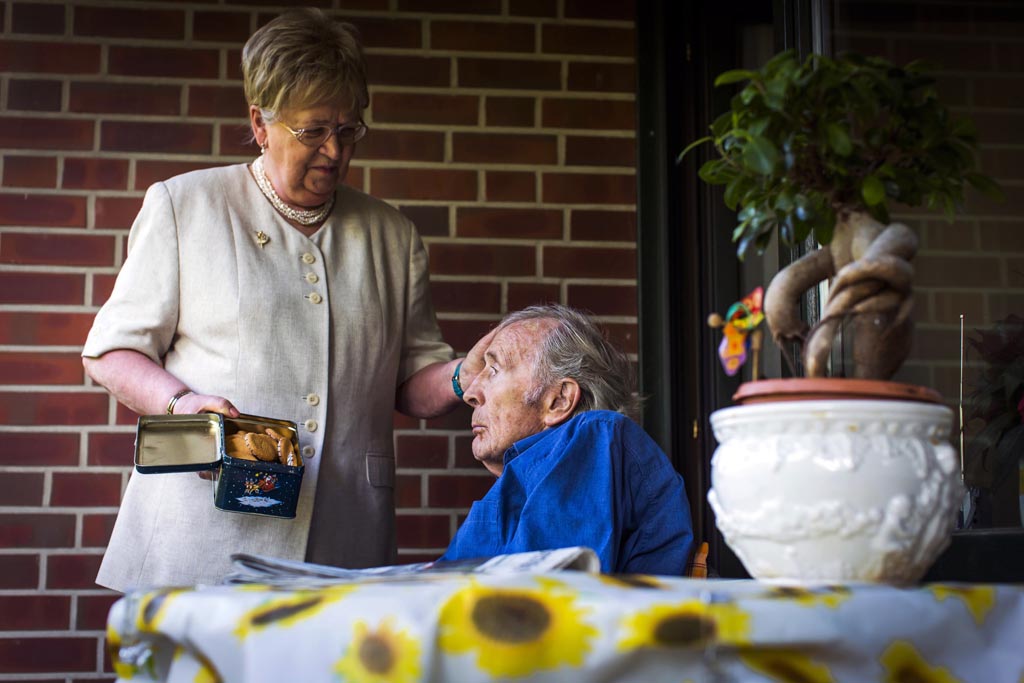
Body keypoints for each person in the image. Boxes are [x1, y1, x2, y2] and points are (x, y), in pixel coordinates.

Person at [81, 8, 490, 591]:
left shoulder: (393, 237)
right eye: (314, 130)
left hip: (343, 538)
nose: (333, 150)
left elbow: (411, 379)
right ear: (260, 122)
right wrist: (182, 404)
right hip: (203, 536)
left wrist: (464, 373)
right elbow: (110, 353)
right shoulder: (184, 206)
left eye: (348, 131)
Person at [439, 304, 694, 575]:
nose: (470, 393)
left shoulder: (592, 438)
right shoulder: (530, 473)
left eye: (494, 370)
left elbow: (541, 594)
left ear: (559, 400)